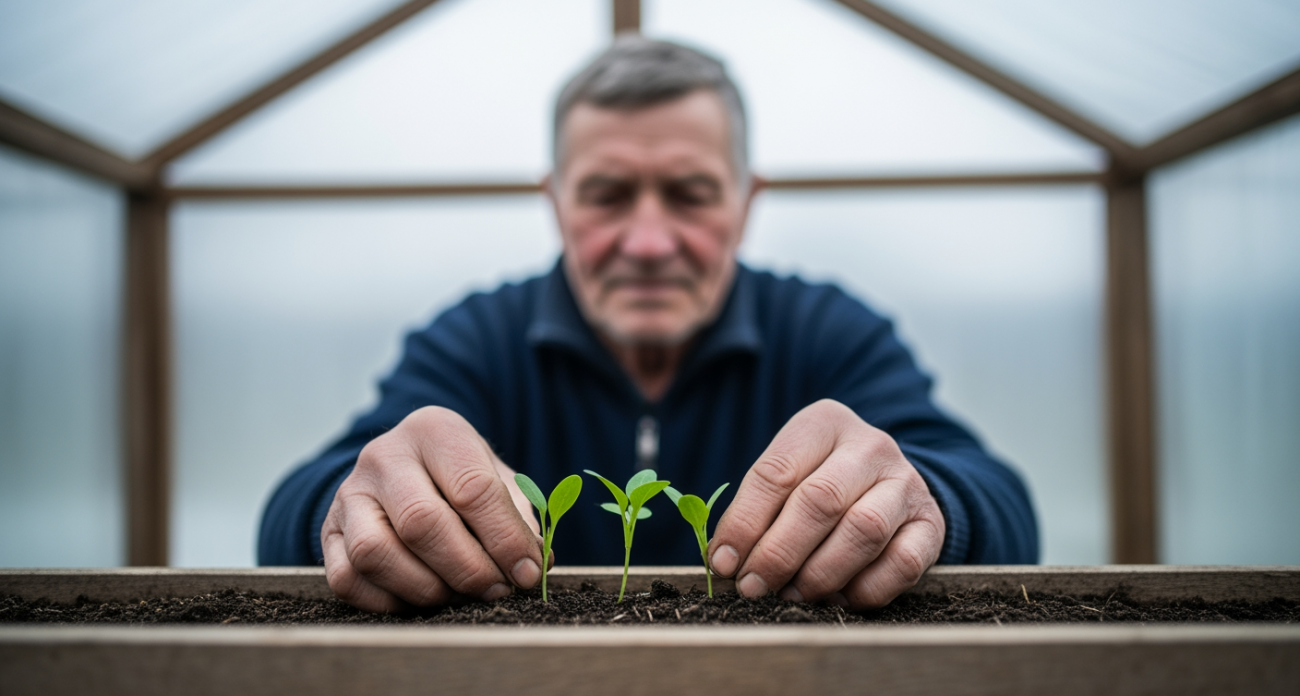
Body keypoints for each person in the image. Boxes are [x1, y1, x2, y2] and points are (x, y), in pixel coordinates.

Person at [259, 36, 1038, 613]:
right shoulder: (477, 341)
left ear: (746, 201)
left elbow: (1002, 506)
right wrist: (348, 504)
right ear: (555, 202)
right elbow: (299, 509)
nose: (649, 242)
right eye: (606, 195)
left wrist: (928, 502)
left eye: (691, 193)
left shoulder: (827, 332)